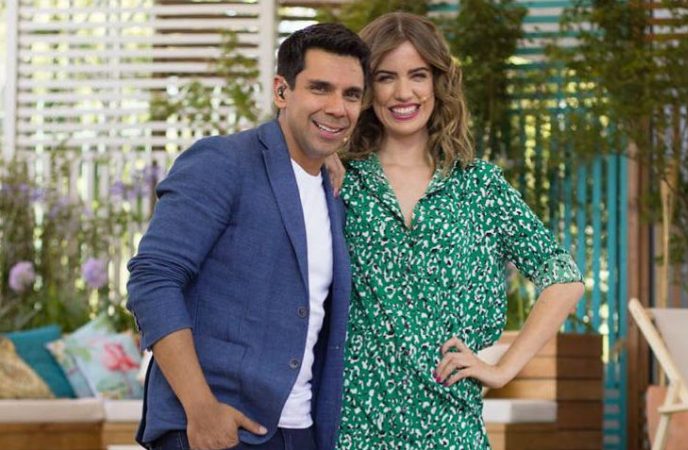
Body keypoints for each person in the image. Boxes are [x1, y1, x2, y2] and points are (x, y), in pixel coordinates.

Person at [333, 12, 585, 450]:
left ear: (438, 82)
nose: (403, 92)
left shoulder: (478, 185)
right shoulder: (340, 181)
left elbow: (563, 278)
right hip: (355, 428)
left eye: (418, 75)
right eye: (386, 77)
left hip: (452, 429)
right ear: (366, 87)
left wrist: (503, 369)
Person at [126, 23, 369, 450]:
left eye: (351, 95)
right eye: (320, 88)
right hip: (215, 428)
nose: (337, 107)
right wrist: (200, 407)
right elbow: (153, 280)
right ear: (281, 91)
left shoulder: (335, 191)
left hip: (302, 431)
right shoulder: (223, 162)